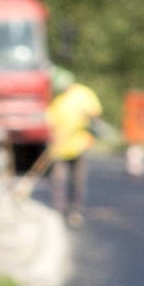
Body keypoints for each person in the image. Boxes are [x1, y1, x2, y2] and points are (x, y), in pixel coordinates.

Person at [44, 68, 111, 226]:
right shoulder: (56, 101)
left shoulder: (83, 94)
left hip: (79, 144)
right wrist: (52, 140)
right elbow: (50, 124)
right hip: (60, 148)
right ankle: (58, 210)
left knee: (77, 179)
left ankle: (75, 209)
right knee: (59, 180)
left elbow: (95, 115)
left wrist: (87, 118)